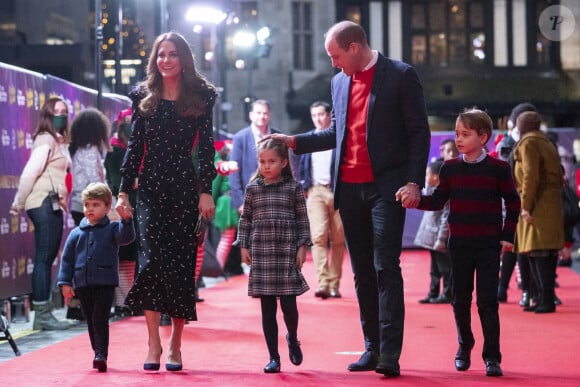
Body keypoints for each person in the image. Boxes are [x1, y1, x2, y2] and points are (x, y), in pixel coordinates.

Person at [266, 21, 430, 377]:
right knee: (362, 273)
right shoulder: (339, 82)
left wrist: (415, 182)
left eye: (335, 55)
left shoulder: (401, 75)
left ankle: (389, 352)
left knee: (386, 266)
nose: (333, 63)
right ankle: (371, 346)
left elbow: (419, 132)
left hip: (387, 189)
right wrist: (296, 141)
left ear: (354, 47)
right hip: (349, 190)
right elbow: (336, 132)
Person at [115, 31, 217, 372]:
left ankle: (175, 343)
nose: (166, 60)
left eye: (172, 54)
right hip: (152, 191)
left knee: (180, 267)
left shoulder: (201, 96)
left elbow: (206, 146)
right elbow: (134, 147)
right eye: (161, 55)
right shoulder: (143, 96)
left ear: (183, 58)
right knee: (150, 263)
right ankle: (153, 342)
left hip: (185, 190)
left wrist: (206, 189)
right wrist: (123, 190)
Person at [398, 108, 521, 377]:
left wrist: (506, 236)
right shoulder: (450, 168)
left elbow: (513, 203)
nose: (459, 139)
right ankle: (464, 345)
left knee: (488, 302)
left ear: (484, 137)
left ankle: (492, 356)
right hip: (460, 245)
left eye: (465, 134)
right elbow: (439, 201)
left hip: (489, 245)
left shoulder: (499, 169)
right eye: (457, 134)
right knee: (460, 300)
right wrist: (417, 199)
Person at [236, 139, 310, 374]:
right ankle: (273, 357)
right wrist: (243, 246)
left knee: (289, 306)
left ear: (284, 162)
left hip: (286, 251)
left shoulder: (294, 188)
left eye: (272, 161)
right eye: (262, 162)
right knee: (267, 309)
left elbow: (302, 219)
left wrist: (302, 246)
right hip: (262, 252)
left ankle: (293, 337)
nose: (266, 166)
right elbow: (245, 219)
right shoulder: (253, 188)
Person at [57, 182, 135, 372]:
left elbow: (127, 238)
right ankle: (97, 351)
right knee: (90, 318)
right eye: (87, 205)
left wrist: (127, 221)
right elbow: (67, 259)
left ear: (108, 207)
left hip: (105, 282)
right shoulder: (76, 233)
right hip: (82, 284)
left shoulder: (113, 229)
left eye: (96, 205)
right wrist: (65, 282)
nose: (90, 209)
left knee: (100, 317)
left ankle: (101, 354)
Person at [10, 96, 73, 331]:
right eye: (56, 111)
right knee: (44, 259)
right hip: (43, 202)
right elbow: (30, 172)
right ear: (47, 114)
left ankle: (44, 313)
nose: (61, 116)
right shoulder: (45, 139)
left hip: (50, 202)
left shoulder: (56, 140)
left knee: (45, 259)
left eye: (64, 112)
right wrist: (18, 201)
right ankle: (42, 314)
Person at [512, 111, 564, 314]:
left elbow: (530, 175)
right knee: (548, 253)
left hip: (535, 203)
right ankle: (546, 298)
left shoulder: (528, 143)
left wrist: (525, 206)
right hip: (550, 202)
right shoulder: (546, 142)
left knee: (537, 251)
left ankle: (544, 300)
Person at [67, 107, 111, 321]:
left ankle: (77, 304)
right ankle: (84, 303)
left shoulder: (76, 150)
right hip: (91, 207)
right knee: (91, 257)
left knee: (82, 255)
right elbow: (96, 184)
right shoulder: (90, 152)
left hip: (79, 205)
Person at [299, 101, 345, 299]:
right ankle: (323, 282)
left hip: (338, 191)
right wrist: (304, 186)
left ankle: (334, 283)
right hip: (315, 191)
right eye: (314, 115)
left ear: (329, 116)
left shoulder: (338, 137)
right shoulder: (309, 138)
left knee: (338, 239)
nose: (318, 119)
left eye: (321, 114)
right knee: (317, 237)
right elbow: (301, 164)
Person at [228, 99, 279, 276]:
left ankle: (272, 275)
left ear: (269, 115)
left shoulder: (277, 136)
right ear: (251, 115)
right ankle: (255, 275)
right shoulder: (241, 138)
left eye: (265, 113)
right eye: (258, 113)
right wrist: (239, 201)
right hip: (250, 197)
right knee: (253, 237)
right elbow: (234, 172)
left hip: (275, 195)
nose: (262, 117)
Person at [104, 107, 139, 317]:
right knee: (123, 255)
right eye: (126, 120)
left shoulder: (135, 148)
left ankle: (127, 300)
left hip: (136, 207)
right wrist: (137, 182)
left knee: (131, 256)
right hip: (121, 208)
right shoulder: (115, 150)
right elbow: (116, 182)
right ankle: (121, 301)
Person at [414, 159, 452, 305]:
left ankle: (448, 293)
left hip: (439, 239)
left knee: (445, 268)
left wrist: (441, 240)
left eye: (428, 174)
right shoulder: (431, 190)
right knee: (434, 269)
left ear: (436, 177)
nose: (426, 177)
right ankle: (433, 292)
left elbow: (445, 219)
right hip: (431, 237)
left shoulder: (446, 195)